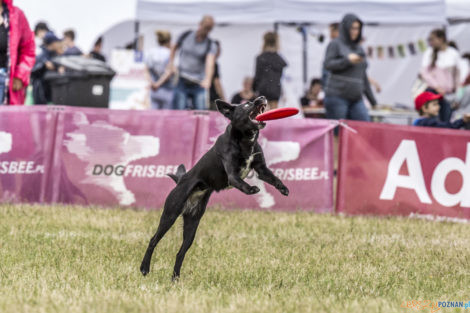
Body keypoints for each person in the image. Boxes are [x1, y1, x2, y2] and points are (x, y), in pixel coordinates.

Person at [322, 13, 377, 127]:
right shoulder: (335, 44)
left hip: (356, 98)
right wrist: (347, 61)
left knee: (364, 128)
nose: (354, 31)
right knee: (338, 131)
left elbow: (363, 77)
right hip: (337, 97)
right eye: (352, 28)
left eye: (357, 28)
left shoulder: (359, 48)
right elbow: (327, 65)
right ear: (345, 27)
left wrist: (373, 101)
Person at [168, 15, 217, 110]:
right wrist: (171, 64)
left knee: (201, 112)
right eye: (206, 27)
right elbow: (173, 47)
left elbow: (210, 63)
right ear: (200, 24)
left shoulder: (211, 44)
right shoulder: (186, 35)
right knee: (179, 110)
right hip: (181, 80)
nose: (207, 31)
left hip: (198, 83)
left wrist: (208, 79)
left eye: (209, 29)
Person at [420, 29, 461, 122]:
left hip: (448, 95)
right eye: (429, 40)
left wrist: (458, 96)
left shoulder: (453, 53)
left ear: (441, 39)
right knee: (433, 121)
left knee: (446, 121)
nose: (430, 42)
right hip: (433, 92)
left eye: (432, 39)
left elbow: (458, 76)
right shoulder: (429, 53)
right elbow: (424, 73)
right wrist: (437, 86)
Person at [0, 0, 35, 105]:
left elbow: (28, 49)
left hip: (6, 82)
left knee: (5, 121)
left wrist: (20, 76)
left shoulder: (16, 15)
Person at [253, 32, 287, 110]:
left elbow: (257, 76)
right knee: (273, 114)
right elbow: (281, 76)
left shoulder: (261, 58)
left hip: (263, 88)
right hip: (275, 88)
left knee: (263, 114)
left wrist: (254, 89)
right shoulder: (279, 59)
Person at [31, 32, 64, 104]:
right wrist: (44, 65)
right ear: (53, 43)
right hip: (41, 93)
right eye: (57, 42)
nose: (59, 44)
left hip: (51, 93)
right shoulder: (41, 55)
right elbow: (33, 72)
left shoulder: (55, 54)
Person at [144, 30, 174, 110]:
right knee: (167, 117)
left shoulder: (151, 52)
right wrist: (158, 84)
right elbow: (169, 72)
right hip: (167, 89)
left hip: (154, 90)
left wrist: (152, 83)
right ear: (169, 41)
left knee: (154, 116)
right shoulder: (170, 53)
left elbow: (146, 70)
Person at [209, 40, 225, 110]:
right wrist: (223, 99)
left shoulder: (203, 63)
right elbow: (217, 83)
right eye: (219, 49)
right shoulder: (214, 64)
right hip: (213, 99)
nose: (220, 51)